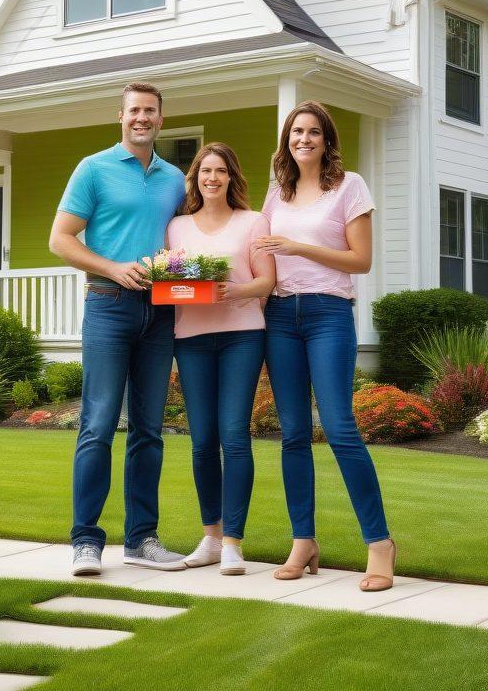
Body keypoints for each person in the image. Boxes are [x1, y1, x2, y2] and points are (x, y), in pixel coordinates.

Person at [255, 101, 396, 591]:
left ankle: (379, 544)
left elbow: (361, 261)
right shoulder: (278, 193)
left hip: (327, 314)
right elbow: (260, 254)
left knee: (339, 427)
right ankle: (303, 541)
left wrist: (298, 248)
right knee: (292, 433)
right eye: (296, 132)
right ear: (286, 141)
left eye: (313, 132)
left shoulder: (349, 186)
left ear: (327, 140)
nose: (304, 139)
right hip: (280, 315)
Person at [50, 82, 187, 577]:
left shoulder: (175, 179)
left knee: (149, 429)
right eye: (134, 111)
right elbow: (60, 239)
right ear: (121, 117)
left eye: (150, 111)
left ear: (161, 120)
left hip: (160, 312)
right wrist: (112, 268)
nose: (142, 118)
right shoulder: (94, 168)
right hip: (109, 306)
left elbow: (186, 238)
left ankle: (141, 539)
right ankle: (85, 540)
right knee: (99, 424)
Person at [166, 143, 274, 576]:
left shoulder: (253, 221)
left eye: (221, 171)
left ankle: (233, 543)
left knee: (234, 435)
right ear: (195, 178)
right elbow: (170, 278)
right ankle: (210, 536)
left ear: (232, 178)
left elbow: (267, 279)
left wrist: (236, 290)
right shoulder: (175, 227)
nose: (213, 178)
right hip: (190, 337)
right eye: (205, 171)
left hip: (242, 336)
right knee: (201, 440)